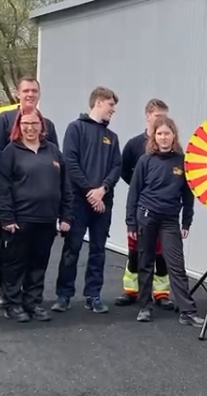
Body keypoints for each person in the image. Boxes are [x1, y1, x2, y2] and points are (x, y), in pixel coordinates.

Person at [0, 109, 72, 323]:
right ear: (19, 126)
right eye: (25, 123)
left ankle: (33, 302)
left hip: (46, 220)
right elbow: (2, 187)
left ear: (42, 126)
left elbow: (66, 187)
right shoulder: (11, 151)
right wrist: (6, 217)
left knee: (39, 264)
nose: (30, 127)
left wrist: (66, 216)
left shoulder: (54, 152)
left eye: (34, 123)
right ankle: (13, 304)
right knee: (15, 264)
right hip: (19, 220)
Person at [125, 116, 203, 326]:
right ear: (154, 136)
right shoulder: (145, 160)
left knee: (176, 264)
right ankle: (145, 306)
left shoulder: (182, 161)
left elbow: (188, 194)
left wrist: (187, 221)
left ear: (174, 136)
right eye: (159, 133)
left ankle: (187, 311)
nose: (163, 137)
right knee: (145, 261)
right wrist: (131, 223)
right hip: (147, 216)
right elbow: (134, 193)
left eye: (167, 133)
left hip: (170, 219)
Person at [0, 76, 59, 309]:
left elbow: (55, 163)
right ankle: (7, 294)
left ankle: (31, 300)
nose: (30, 94)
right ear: (18, 93)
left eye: (34, 91)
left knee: (37, 259)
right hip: (15, 207)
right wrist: (5, 210)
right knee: (8, 255)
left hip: (43, 215)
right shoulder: (4, 120)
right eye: (26, 90)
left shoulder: (47, 125)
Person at [52, 87, 121, 314]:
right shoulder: (76, 129)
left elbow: (116, 167)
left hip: (103, 202)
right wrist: (90, 191)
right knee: (72, 248)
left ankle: (94, 295)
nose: (113, 110)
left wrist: (103, 189)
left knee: (98, 250)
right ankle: (64, 295)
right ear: (99, 102)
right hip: (78, 202)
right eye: (111, 105)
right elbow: (70, 163)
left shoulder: (112, 137)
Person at [115, 98, 173, 310]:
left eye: (165, 117)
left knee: (161, 253)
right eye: (158, 117)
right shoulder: (134, 145)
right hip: (141, 208)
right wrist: (141, 190)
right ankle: (131, 290)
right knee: (135, 249)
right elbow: (124, 171)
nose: (162, 121)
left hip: (163, 211)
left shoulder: (172, 148)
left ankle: (162, 293)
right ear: (148, 115)